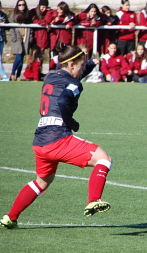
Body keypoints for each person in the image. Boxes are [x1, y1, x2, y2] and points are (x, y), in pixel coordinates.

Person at [0, 44, 112, 230]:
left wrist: (90, 64)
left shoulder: (51, 76)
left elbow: (69, 81)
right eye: (81, 64)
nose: (83, 68)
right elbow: (63, 99)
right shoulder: (74, 84)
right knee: (104, 159)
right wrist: (72, 122)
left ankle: (10, 217)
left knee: (42, 181)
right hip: (58, 138)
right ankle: (94, 200)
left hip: (40, 141)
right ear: (72, 64)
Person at [9, 0, 32, 82]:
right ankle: (12, 74)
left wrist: (30, 38)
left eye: (23, 5)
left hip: (25, 38)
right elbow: (10, 27)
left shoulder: (28, 15)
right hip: (17, 39)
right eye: (20, 5)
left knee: (22, 60)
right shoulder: (13, 14)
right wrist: (13, 37)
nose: (22, 6)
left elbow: (31, 27)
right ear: (17, 6)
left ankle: (18, 76)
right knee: (18, 58)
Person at [0, 1, 9, 81]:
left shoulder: (3, 15)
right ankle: (4, 76)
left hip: (1, 39)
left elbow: (7, 26)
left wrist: (5, 22)